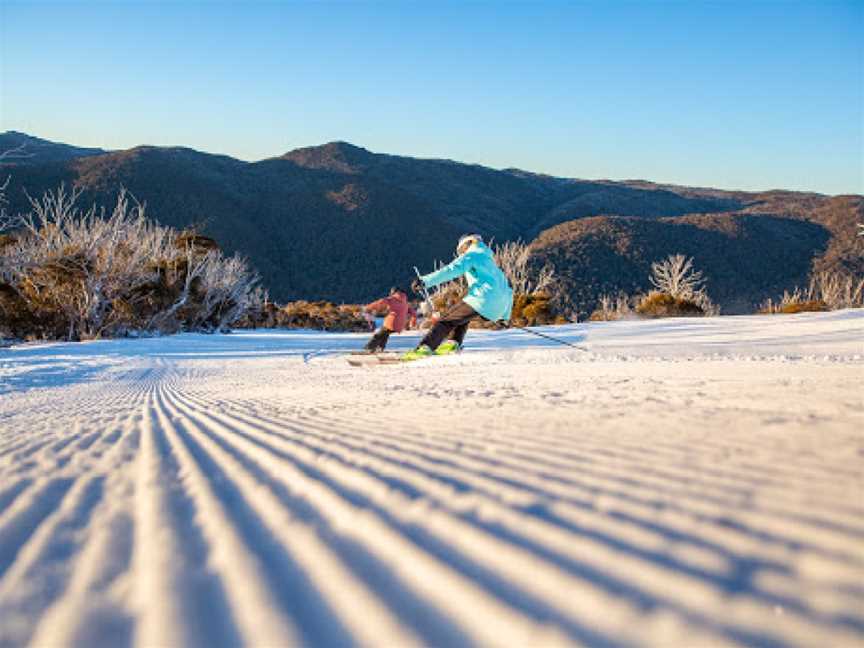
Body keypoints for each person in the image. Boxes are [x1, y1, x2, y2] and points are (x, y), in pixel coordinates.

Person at [403, 234, 513, 360]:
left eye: (461, 250)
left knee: (446, 321)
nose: (461, 254)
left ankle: (425, 348)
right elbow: (508, 291)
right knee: (462, 316)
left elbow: (451, 270)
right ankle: (453, 343)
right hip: (499, 306)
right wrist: (504, 317)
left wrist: (425, 281)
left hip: (481, 298)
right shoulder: (491, 264)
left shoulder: (472, 255)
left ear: (468, 244)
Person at [362, 287, 416, 352]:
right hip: (400, 325)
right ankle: (380, 348)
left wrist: (368, 307)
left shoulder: (392, 299)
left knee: (378, 335)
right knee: (385, 333)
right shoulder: (405, 302)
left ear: (393, 292)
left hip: (392, 323)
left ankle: (369, 348)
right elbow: (414, 313)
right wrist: (412, 322)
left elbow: (380, 302)